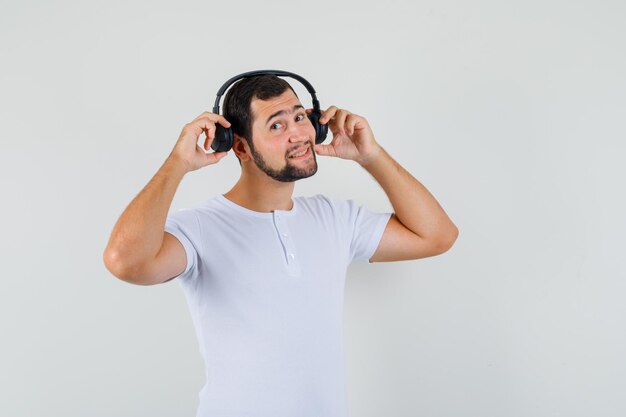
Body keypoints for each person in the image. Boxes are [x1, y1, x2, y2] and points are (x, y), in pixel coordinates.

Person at [103, 73, 458, 416]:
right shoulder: (199, 227)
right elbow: (125, 261)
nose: (299, 134)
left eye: (301, 117)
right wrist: (176, 164)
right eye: (277, 125)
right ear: (239, 146)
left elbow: (437, 236)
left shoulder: (335, 217)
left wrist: (371, 156)